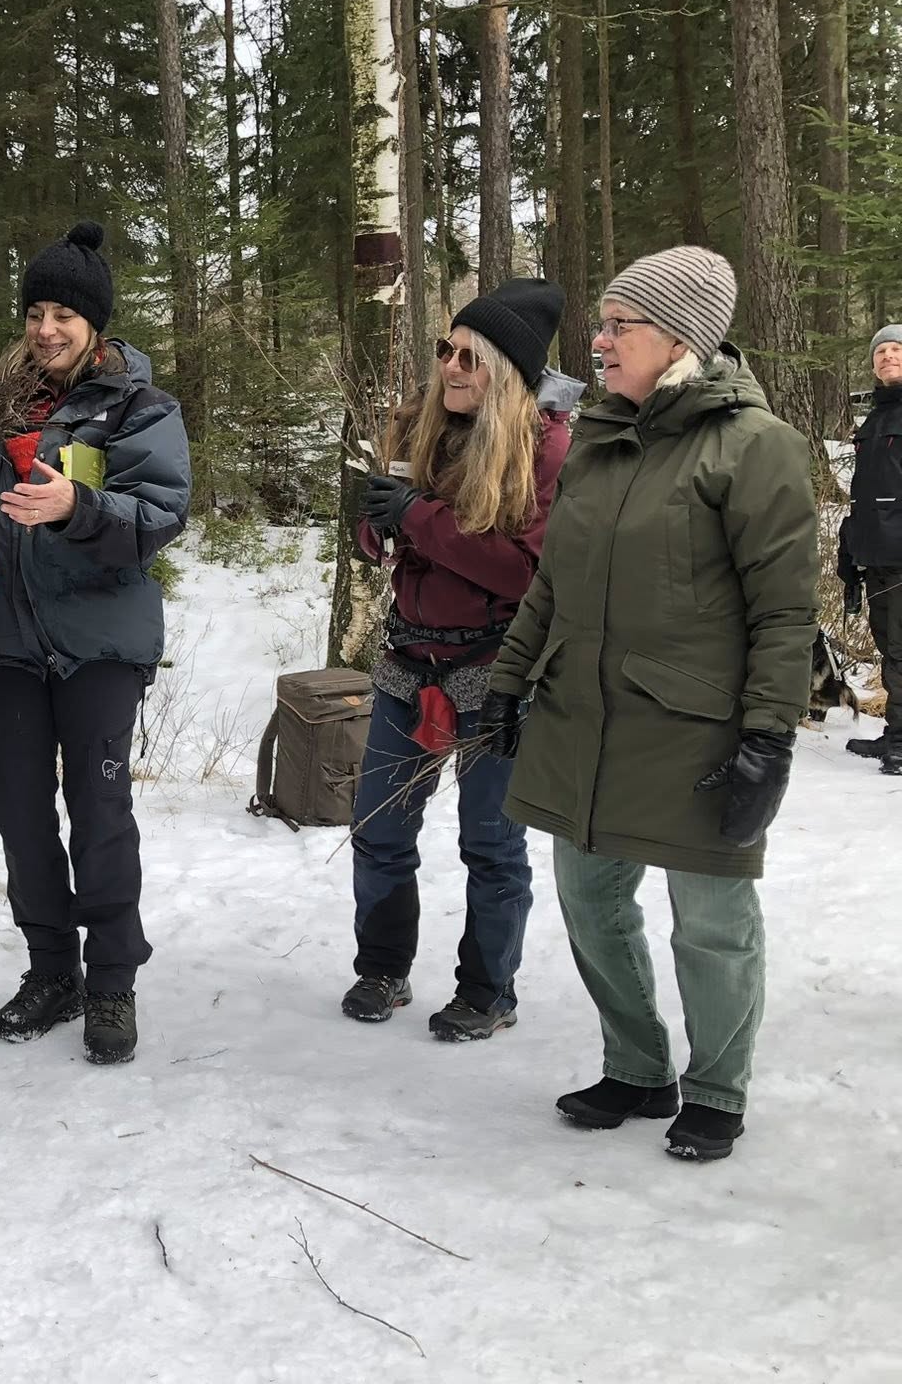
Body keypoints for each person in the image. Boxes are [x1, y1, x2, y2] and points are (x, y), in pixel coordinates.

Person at [482, 247, 817, 1162]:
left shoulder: (755, 447)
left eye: (619, 325)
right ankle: (636, 1067)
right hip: (583, 719)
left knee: (710, 922)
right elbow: (552, 584)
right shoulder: (599, 438)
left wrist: (769, 737)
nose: (599, 342)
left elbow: (784, 612)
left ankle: (716, 1087)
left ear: (680, 339)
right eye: (601, 324)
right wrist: (508, 680)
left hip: (696, 730)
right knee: (590, 901)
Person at [0, 222, 189, 1064]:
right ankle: (51, 971)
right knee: (19, 808)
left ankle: (110, 979)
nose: (46, 329)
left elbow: (160, 515)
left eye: (64, 315)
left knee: (99, 811)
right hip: (7, 643)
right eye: (35, 312)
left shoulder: (139, 407)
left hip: (99, 645)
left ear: (94, 324)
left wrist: (78, 508)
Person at [341, 280, 576, 1041]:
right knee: (378, 827)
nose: (450, 366)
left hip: (495, 670)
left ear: (506, 372)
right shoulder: (422, 426)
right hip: (409, 658)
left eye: (470, 357)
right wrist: (378, 526)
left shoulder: (547, 448)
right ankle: (382, 967)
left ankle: (487, 990)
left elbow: (525, 572)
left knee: (491, 843)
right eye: (447, 349)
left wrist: (419, 517)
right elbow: (390, 543)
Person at [839, 323, 902, 773]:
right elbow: (864, 495)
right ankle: (896, 732)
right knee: (889, 647)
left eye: (897, 349)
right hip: (875, 554)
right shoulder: (876, 418)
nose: (888, 357)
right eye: (881, 352)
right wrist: (849, 552)